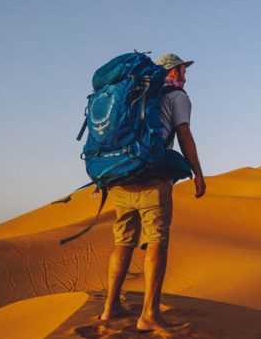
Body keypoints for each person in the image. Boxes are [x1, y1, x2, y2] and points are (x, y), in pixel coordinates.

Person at [99, 53, 206, 331]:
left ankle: (110, 307)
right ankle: (149, 314)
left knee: (123, 241)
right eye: (183, 70)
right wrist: (197, 172)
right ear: (174, 72)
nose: (185, 76)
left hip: (121, 176)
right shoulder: (177, 96)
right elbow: (184, 135)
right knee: (156, 240)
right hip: (153, 178)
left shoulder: (134, 93)